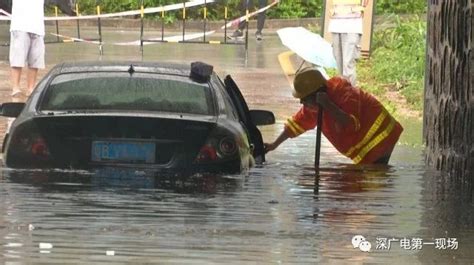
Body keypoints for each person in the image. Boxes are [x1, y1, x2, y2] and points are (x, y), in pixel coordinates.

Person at [264, 68, 403, 165]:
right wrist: (274, 145)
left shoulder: (345, 95)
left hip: (382, 137)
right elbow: (297, 124)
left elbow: (351, 125)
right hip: (366, 148)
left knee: (370, 181)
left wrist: (328, 105)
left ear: (317, 94)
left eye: (304, 99)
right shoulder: (313, 107)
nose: (302, 103)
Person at [9, 0, 45, 103]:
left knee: (35, 59)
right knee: (17, 57)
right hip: (20, 24)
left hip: (38, 26)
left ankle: (31, 88)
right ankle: (16, 88)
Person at [328, 0, 369, 85]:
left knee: (348, 64)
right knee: (339, 65)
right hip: (336, 21)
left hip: (353, 24)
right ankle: (343, 93)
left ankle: (351, 95)